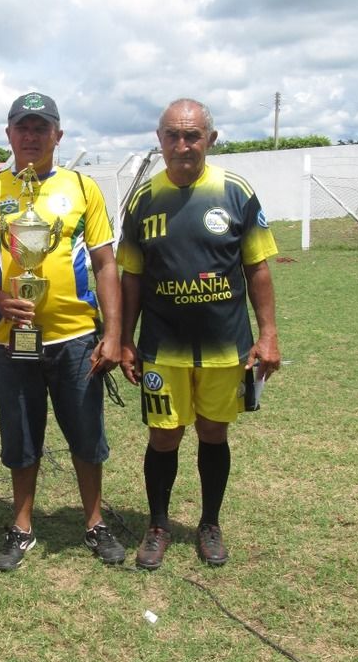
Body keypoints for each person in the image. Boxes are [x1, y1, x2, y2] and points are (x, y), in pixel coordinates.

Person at [0, 92, 125, 571]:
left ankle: (94, 522)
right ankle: (22, 527)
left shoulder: (82, 187)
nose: (31, 136)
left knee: (86, 434)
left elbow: (105, 263)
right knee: (21, 436)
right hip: (13, 340)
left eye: (41, 128)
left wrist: (113, 334)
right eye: (22, 128)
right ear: (8, 134)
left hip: (76, 338)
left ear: (58, 135)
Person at [118, 98, 281, 569]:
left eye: (192, 135)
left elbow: (257, 267)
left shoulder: (235, 192)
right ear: (160, 140)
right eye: (173, 135)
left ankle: (210, 523)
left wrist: (268, 334)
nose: (182, 145)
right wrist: (125, 339)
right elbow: (131, 276)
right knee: (163, 436)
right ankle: (157, 525)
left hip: (224, 346)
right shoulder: (143, 199)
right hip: (162, 347)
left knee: (213, 431)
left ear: (210, 139)